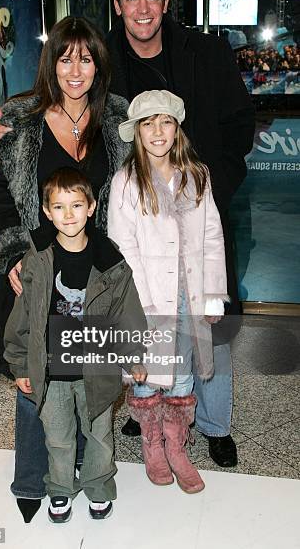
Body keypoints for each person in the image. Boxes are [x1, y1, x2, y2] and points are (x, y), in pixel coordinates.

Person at [106, 0, 255, 467]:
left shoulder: (207, 51)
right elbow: (65, 94)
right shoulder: (104, 57)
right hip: (140, 220)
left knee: (209, 323)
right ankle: (149, 408)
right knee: (149, 316)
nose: (143, 10)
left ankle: (214, 426)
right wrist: (9, 121)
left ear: (165, 3)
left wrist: (215, 190)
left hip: (196, 210)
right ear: (119, 4)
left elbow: (239, 121)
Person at [0, 16, 130, 522]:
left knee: (86, 384)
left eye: (85, 58)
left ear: (98, 65)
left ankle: (91, 478)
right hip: (34, 277)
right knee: (32, 378)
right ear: (52, 63)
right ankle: (33, 481)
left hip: (91, 282)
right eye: (65, 58)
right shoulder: (21, 122)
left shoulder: (117, 122)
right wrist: (12, 256)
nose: (75, 69)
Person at [4, 167, 147, 522]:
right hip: (51, 370)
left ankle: (98, 486)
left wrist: (133, 356)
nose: (68, 215)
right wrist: (21, 365)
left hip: (96, 368)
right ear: (47, 212)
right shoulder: (37, 259)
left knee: (98, 435)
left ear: (92, 207)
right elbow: (23, 317)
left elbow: (126, 311)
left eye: (76, 205)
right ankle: (61, 489)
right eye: (59, 207)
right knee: (58, 437)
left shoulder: (110, 260)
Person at [108, 90, 228, 492]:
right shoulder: (125, 182)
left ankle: (178, 447)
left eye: (165, 122)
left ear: (177, 129)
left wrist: (213, 291)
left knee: (181, 376)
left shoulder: (198, 175)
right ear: (137, 131)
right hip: (146, 300)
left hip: (188, 296)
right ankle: (153, 446)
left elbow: (212, 234)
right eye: (148, 123)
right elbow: (123, 250)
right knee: (148, 376)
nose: (157, 131)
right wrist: (134, 310)